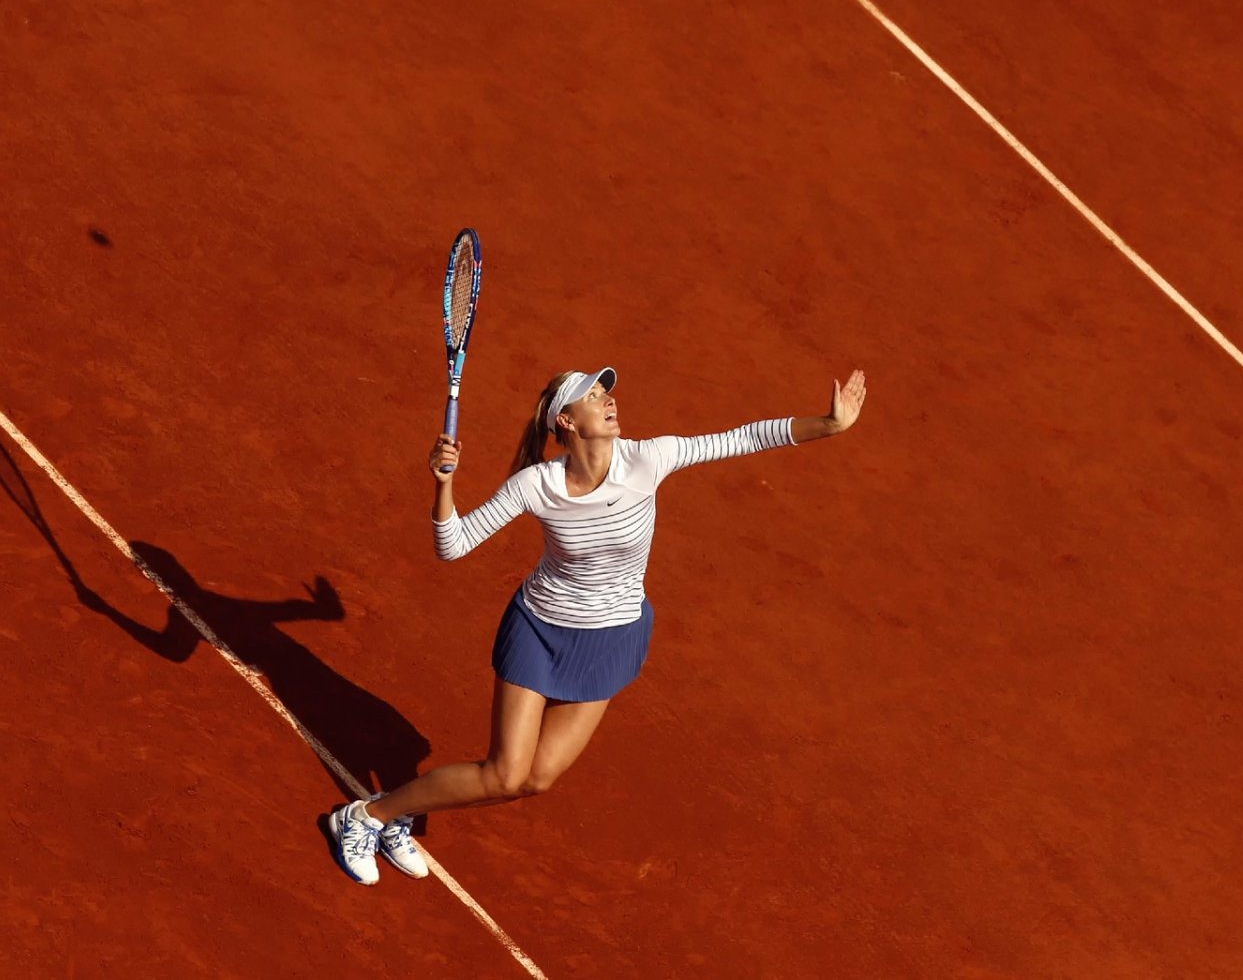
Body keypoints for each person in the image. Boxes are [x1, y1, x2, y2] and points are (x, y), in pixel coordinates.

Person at [323, 364, 867, 884]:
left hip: (610, 640)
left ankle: (396, 814)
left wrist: (830, 425)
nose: (609, 401)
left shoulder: (651, 459)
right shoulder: (537, 485)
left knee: (537, 780)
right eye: (593, 396)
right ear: (565, 421)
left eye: (607, 393)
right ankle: (368, 817)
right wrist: (443, 483)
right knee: (504, 774)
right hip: (540, 631)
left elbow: (742, 437)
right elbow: (453, 544)